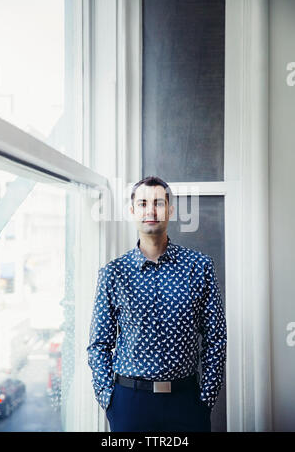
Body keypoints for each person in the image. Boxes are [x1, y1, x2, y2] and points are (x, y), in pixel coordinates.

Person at [87, 176, 227, 432]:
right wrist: (109, 400)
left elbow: (216, 338)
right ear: (132, 211)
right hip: (130, 403)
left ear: (170, 210)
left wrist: (205, 399)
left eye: (158, 203)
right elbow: (99, 344)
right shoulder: (113, 273)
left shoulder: (199, 267)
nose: (151, 210)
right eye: (142, 203)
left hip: (187, 402)